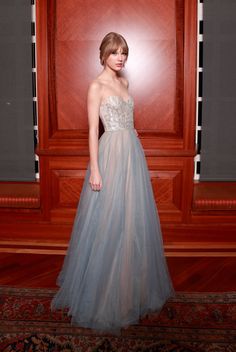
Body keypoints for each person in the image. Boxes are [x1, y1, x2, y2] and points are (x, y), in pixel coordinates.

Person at [51, 32, 175, 333]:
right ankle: (104, 294)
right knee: (108, 221)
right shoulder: (96, 86)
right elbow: (93, 130)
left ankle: (130, 289)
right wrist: (95, 169)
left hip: (132, 152)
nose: (120, 58)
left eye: (124, 53)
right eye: (115, 52)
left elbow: (128, 122)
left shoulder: (124, 82)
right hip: (110, 156)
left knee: (132, 220)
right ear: (103, 54)